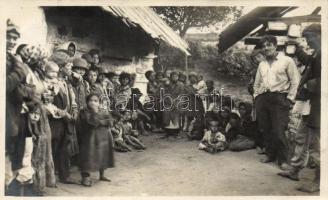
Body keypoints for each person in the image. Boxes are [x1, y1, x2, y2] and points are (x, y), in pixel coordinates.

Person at [277, 24, 321, 193]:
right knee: (301, 137)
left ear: (320, 34)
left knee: (317, 145)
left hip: (318, 106)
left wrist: (309, 84)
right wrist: (298, 48)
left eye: (309, 38)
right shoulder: (317, 53)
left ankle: (319, 181)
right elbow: (310, 62)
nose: (308, 42)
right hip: (309, 104)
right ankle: (295, 169)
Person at [253, 35, 300, 167]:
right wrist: (257, 97)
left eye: (269, 45)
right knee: (266, 128)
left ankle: (284, 160)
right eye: (263, 46)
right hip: (264, 98)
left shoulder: (287, 61)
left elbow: (295, 81)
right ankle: (270, 154)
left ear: (275, 45)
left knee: (279, 130)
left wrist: (290, 99)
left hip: (280, 98)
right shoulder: (262, 64)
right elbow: (257, 83)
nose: (266, 48)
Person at [5, 19, 35, 193]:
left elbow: (29, 91)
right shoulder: (15, 63)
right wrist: (19, 69)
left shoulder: (12, 59)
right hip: (7, 115)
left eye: (15, 38)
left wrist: (24, 91)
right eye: (8, 37)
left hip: (13, 117)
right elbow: (7, 85)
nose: (12, 42)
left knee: (13, 159)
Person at [77, 93, 114, 187]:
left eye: (95, 101)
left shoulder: (103, 110)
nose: (93, 103)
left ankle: (102, 175)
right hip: (89, 138)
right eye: (90, 101)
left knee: (102, 155)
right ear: (86, 102)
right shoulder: (84, 112)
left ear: (99, 102)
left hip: (103, 137)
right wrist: (95, 113)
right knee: (88, 157)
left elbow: (110, 121)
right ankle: (85, 178)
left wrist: (101, 122)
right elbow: (91, 123)